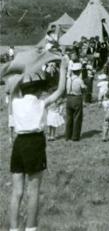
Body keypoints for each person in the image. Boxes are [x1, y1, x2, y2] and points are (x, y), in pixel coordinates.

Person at [8, 58, 68, 231]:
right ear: (38, 90)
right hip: (34, 142)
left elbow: (13, 88)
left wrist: (23, 72)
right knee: (33, 190)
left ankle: (13, 228)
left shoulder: (15, 102)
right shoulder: (41, 103)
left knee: (17, 191)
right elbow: (60, 90)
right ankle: (31, 228)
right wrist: (63, 69)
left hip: (19, 143)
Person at [64, 62, 86, 141]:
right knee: (77, 117)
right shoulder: (79, 80)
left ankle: (67, 135)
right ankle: (75, 136)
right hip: (76, 98)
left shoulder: (68, 79)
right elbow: (83, 89)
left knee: (69, 117)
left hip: (69, 98)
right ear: (79, 71)